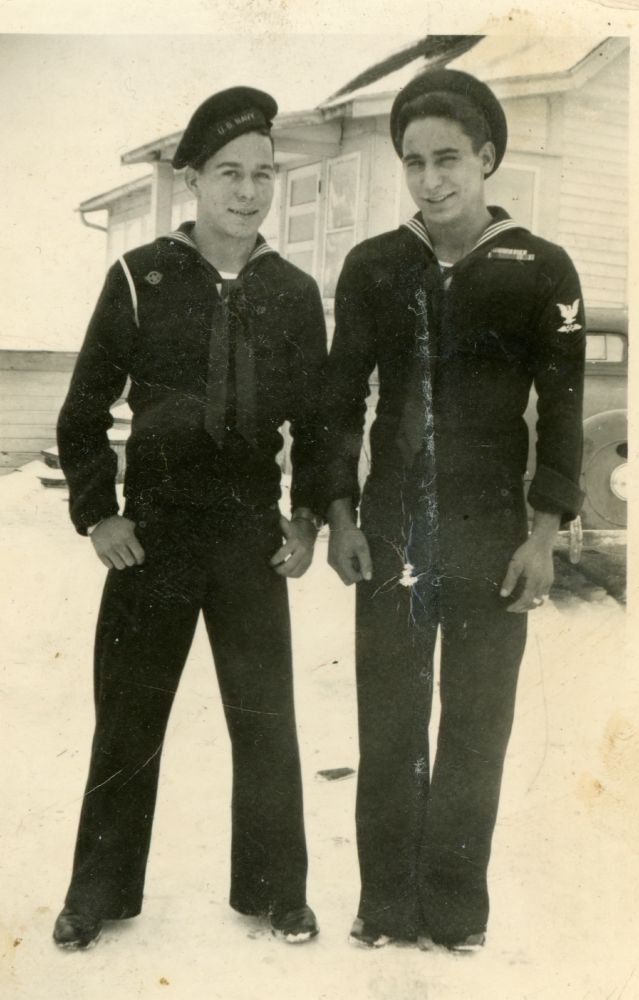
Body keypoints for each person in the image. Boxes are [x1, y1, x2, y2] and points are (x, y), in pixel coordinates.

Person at [53, 86, 326, 950]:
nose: (247, 193)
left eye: (263, 176)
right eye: (229, 175)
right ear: (192, 180)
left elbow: (317, 422)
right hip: (157, 532)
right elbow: (82, 412)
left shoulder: (292, 290)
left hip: (248, 532)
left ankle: (277, 891)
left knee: (265, 718)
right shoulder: (140, 277)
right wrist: (99, 516)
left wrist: (307, 517)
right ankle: (94, 893)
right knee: (128, 718)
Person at [323, 69, 585, 951]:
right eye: (412, 163)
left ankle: (455, 911)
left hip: (489, 537)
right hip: (391, 532)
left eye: (447, 160)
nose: (429, 180)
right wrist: (341, 513)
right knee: (389, 723)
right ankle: (385, 905)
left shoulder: (539, 269)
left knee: (475, 729)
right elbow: (338, 401)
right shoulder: (374, 267)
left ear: (487, 159)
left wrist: (545, 534)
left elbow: (560, 411)